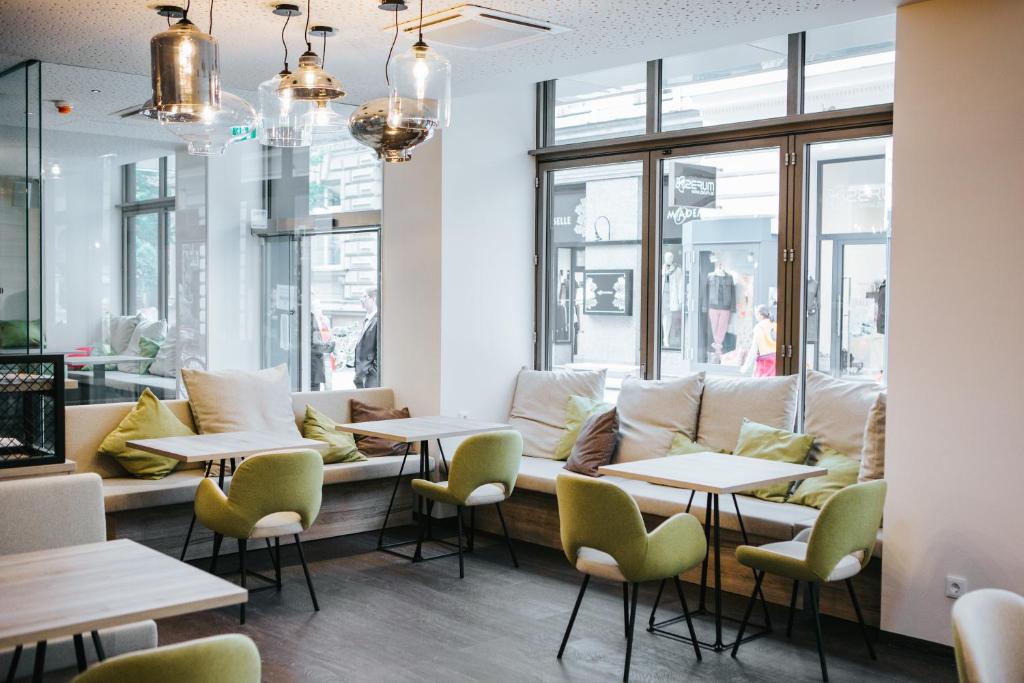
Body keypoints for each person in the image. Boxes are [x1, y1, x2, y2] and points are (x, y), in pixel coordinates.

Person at [353, 288, 379, 388]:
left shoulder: (377, 320)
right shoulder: (367, 319)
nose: (361, 299)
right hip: (361, 377)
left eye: (364, 296)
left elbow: (379, 351)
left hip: (370, 378)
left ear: (373, 299)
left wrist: (370, 373)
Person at [742, 304, 777, 377]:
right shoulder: (775, 325)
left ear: (760, 315)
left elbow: (753, 349)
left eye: (756, 315)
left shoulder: (759, 327)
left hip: (764, 363)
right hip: (775, 361)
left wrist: (745, 367)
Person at [310, 300, 335, 391]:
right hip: (317, 355)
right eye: (316, 308)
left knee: (328, 381)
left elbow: (330, 334)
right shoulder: (311, 320)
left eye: (319, 308)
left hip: (326, 354)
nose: (319, 310)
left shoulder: (324, 320)